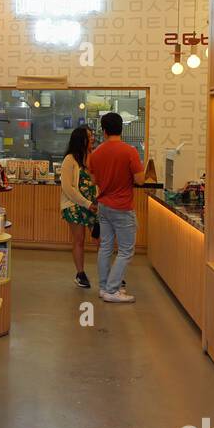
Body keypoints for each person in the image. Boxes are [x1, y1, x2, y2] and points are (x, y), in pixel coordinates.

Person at [87, 112, 144, 303]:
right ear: (121, 128)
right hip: (122, 206)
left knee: (105, 247)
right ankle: (112, 290)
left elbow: (94, 180)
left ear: (103, 131)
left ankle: (104, 287)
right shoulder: (130, 151)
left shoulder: (95, 154)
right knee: (126, 250)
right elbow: (140, 180)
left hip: (104, 205)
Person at [59, 126, 98, 287]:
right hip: (74, 205)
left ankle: (108, 273)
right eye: (89, 136)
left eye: (92, 135)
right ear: (80, 139)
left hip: (94, 206)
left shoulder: (94, 157)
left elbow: (97, 181)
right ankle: (80, 273)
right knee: (79, 240)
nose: (92, 139)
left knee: (101, 239)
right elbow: (68, 188)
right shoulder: (70, 159)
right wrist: (86, 203)